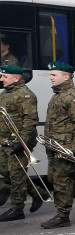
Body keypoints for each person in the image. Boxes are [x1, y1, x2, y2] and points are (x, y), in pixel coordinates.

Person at [39, 61, 75, 229]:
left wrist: (73, 150)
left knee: (61, 180)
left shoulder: (72, 96)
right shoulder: (58, 94)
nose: (50, 77)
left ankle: (62, 215)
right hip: (54, 145)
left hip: (66, 147)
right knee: (54, 178)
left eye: (53, 74)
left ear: (66, 76)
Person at [0, 65, 40, 222]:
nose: (1, 79)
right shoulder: (6, 93)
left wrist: (20, 142)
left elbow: (30, 121)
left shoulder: (25, 95)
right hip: (6, 140)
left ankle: (17, 209)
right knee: (5, 170)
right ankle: (37, 192)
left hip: (20, 141)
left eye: (4, 76)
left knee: (16, 174)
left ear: (16, 78)